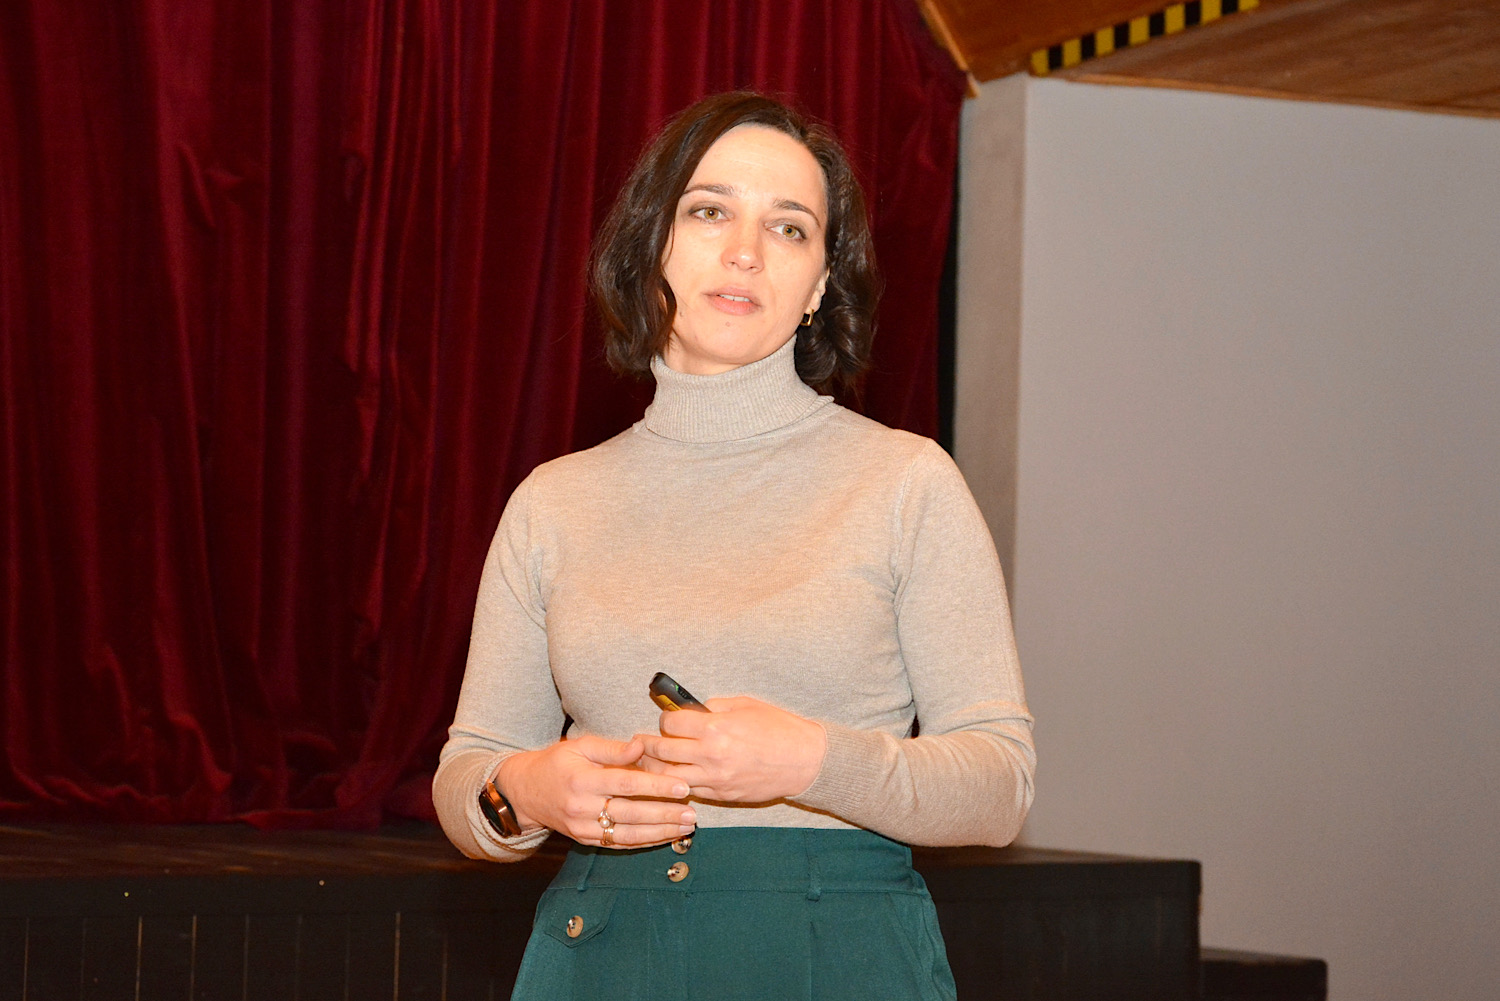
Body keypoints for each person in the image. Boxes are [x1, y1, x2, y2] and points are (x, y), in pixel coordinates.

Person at [433, 91, 1035, 1001]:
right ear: (652, 244)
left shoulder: (907, 482)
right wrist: (526, 791)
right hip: (602, 948)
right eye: (710, 211)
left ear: (820, 283)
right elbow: (469, 773)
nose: (746, 251)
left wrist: (812, 762)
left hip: (837, 952)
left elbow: (1000, 784)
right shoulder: (552, 503)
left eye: (789, 228)